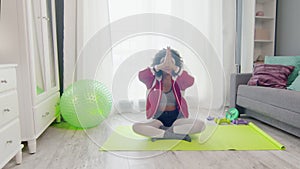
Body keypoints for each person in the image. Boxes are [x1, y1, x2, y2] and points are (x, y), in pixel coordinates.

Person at [132, 47, 205, 142]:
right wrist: (159, 66)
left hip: (177, 119)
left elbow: (191, 81)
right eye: (164, 62)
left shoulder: (179, 80)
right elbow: (141, 76)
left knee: (201, 125)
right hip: (158, 120)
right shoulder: (152, 80)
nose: (167, 65)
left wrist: (174, 67)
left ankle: (161, 134)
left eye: (171, 62)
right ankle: (176, 135)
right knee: (136, 127)